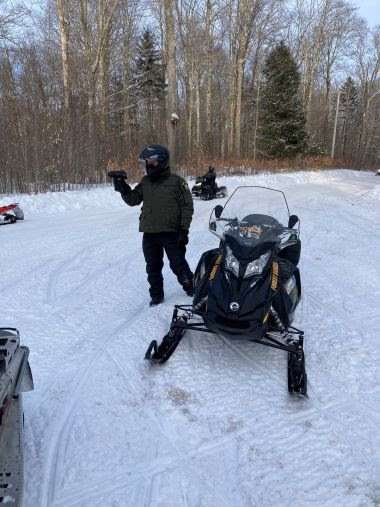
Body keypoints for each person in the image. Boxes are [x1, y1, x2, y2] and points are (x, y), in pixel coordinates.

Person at [112, 144, 194, 306]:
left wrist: (184, 230)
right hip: (149, 232)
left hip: (171, 232)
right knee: (153, 267)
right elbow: (133, 199)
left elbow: (187, 206)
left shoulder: (177, 182)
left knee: (178, 264)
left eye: (151, 162)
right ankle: (156, 295)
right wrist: (122, 187)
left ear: (162, 162)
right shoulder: (146, 182)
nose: (148, 166)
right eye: (146, 163)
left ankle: (191, 286)